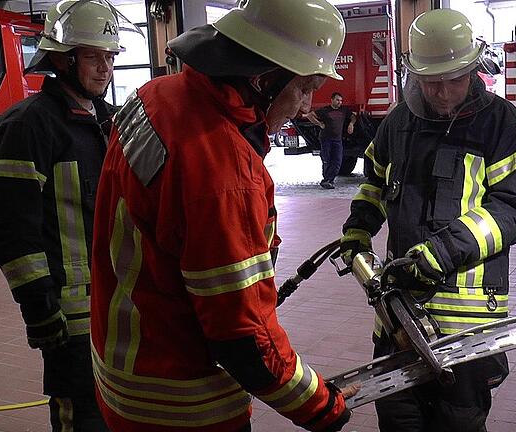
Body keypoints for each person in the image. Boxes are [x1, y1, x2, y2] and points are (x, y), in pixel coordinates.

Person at [89, 1, 356, 431]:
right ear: (263, 79)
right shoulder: (223, 173)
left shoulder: (156, 96)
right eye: (305, 87)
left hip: (121, 369)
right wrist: (321, 406)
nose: (306, 106)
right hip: (182, 402)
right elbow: (243, 339)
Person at [340, 9, 516, 432]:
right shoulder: (399, 122)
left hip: (465, 327)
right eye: (432, 82)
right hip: (396, 318)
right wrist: (358, 230)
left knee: (458, 423)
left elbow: (514, 208)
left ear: (471, 69)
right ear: (415, 76)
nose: (443, 92)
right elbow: (374, 181)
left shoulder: (503, 124)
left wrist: (441, 252)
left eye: (454, 79)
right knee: (397, 420)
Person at [0, 0, 127, 430]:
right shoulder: (28, 125)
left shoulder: (111, 122)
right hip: (68, 318)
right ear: (61, 58)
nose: (104, 68)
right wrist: (40, 310)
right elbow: (13, 233)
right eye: (92, 55)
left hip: (121, 307)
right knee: (82, 419)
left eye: (110, 56)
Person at [306, 92, 357, 189]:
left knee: (337, 160)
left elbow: (353, 116)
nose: (339, 102)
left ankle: (329, 180)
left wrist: (351, 124)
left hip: (337, 140)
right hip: (326, 139)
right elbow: (310, 115)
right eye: (337, 100)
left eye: (341, 101)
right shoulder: (325, 111)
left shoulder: (343, 110)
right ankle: (327, 180)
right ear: (332, 100)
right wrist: (319, 124)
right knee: (327, 159)